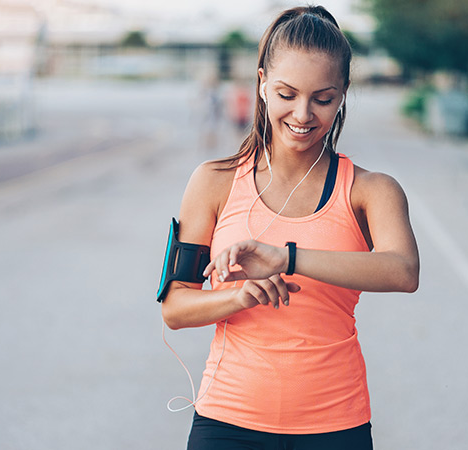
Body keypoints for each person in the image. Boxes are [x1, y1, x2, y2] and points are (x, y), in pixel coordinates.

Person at [161, 5, 419, 449]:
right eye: (286, 94)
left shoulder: (370, 191)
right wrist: (238, 296)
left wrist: (288, 257)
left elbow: (403, 271)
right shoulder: (214, 182)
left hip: (335, 425)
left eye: (323, 98)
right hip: (227, 422)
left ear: (343, 93)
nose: (303, 115)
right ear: (261, 83)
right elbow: (174, 308)